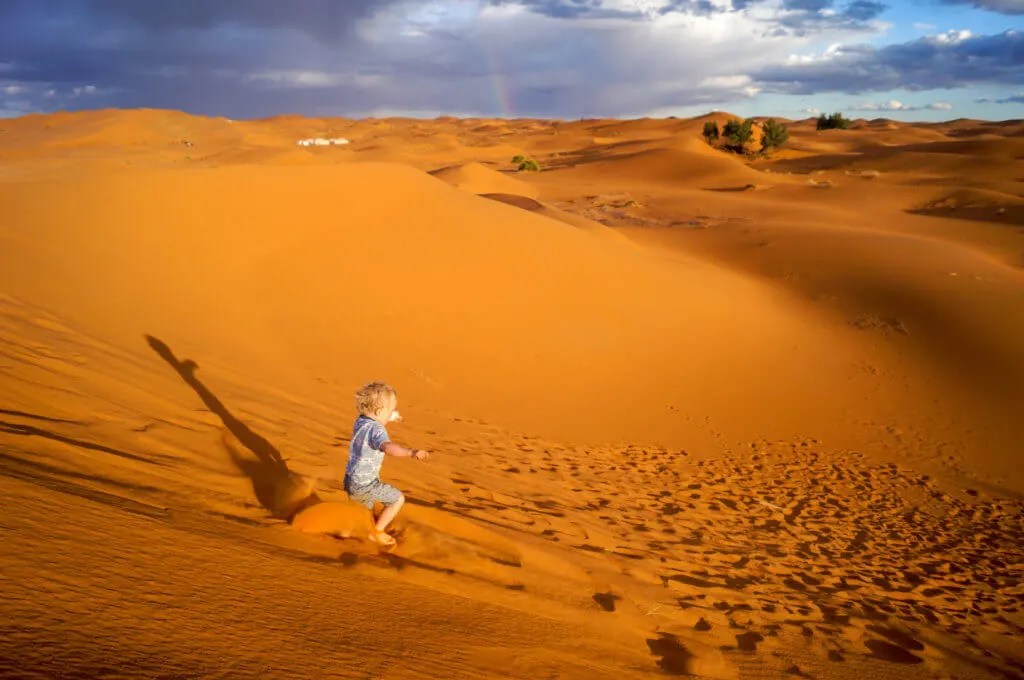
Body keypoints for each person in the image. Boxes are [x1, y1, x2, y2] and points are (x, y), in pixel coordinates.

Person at [344, 381, 429, 547]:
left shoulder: (361, 421)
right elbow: (389, 448)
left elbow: (376, 417)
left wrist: (392, 416)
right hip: (366, 484)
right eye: (390, 410)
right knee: (397, 499)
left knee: (362, 515)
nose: (391, 414)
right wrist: (410, 452)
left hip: (350, 480)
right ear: (379, 411)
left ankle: (347, 532)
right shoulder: (378, 431)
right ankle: (377, 532)